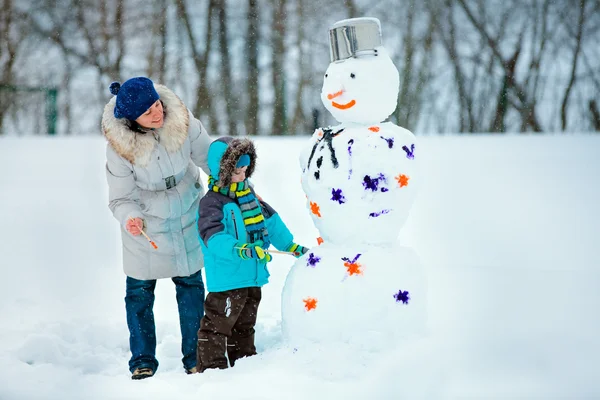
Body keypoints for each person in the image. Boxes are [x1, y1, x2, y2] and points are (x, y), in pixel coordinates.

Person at [102, 77, 213, 380]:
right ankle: (142, 359)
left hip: (186, 211)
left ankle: (195, 356)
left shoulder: (184, 123)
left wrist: (238, 184)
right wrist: (130, 217)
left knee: (191, 284)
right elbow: (120, 198)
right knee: (139, 292)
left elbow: (210, 158)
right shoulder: (119, 149)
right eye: (147, 112)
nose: (157, 113)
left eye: (156, 105)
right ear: (132, 120)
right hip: (145, 223)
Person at [196, 136, 309, 372]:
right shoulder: (212, 203)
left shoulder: (249, 197)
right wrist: (240, 249)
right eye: (237, 171)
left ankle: (244, 363)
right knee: (218, 324)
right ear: (222, 171)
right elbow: (212, 237)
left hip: (252, 275)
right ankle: (211, 368)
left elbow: (271, 223)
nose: (243, 176)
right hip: (227, 279)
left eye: (246, 170)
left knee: (244, 325)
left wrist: (290, 246)